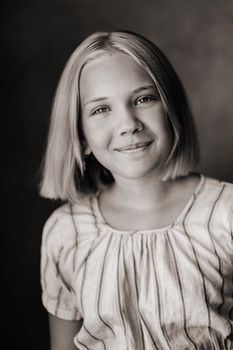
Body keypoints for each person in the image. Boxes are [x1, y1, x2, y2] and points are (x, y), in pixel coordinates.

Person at [39, 31, 233, 350]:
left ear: (171, 108)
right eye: (101, 109)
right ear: (81, 136)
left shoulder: (225, 213)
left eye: (143, 99)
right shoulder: (66, 232)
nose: (128, 123)